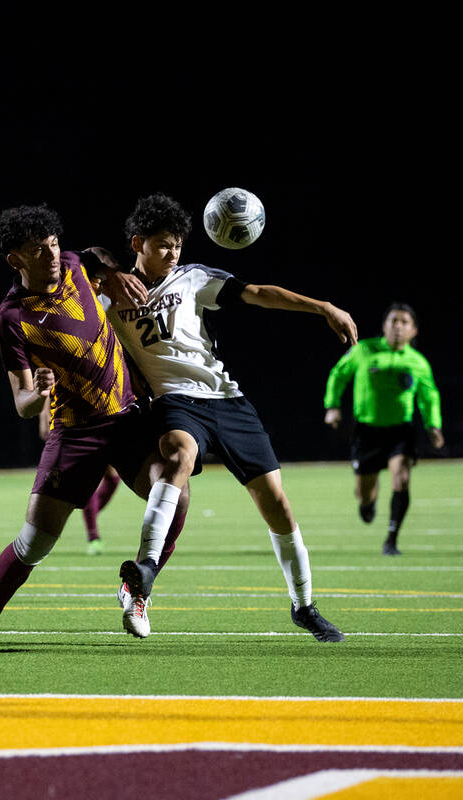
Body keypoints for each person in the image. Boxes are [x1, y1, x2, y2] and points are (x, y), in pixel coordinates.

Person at [105, 192, 352, 642]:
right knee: (178, 454)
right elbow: (74, 281)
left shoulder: (193, 278)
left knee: (276, 503)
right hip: (174, 401)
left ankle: (304, 606)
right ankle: (144, 573)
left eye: (177, 243)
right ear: (138, 242)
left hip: (226, 399)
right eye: (163, 244)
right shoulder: (111, 294)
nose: (173, 252)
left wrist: (322, 307)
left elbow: (257, 293)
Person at [0, 204, 188, 647]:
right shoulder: (12, 319)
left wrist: (115, 272)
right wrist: (37, 392)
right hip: (77, 433)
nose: (52, 255)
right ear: (15, 259)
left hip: (128, 417)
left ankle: (137, 589)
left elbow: (94, 254)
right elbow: (22, 403)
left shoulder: (74, 265)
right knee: (34, 542)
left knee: (176, 492)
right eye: (38, 251)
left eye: (54, 244)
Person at [324, 303, 443, 555]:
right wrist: (332, 406)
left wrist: (434, 425)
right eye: (393, 321)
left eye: (404, 322)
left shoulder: (417, 362)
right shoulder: (363, 350)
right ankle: (369, 502)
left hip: (401, 431)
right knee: (363, 494)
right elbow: (338, 375)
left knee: (401, 477)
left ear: (414, 331)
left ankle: (391, 538)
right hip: (367, 431)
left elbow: (429, 396)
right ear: (384, 326)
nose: (398, 327)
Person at [41, 404, 118, 556]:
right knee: (88, 481)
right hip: (76, 426)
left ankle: (89, 512)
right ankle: (93, 537)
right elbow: (47, 392)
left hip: (105, 419)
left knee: (113, 478)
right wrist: (45, 420)